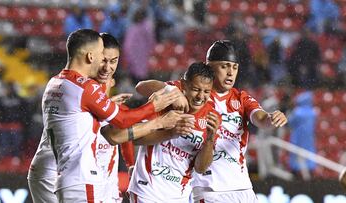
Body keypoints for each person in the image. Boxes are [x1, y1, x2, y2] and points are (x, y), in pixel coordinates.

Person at [29, 29, 182, 203]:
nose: (107, 66)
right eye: (102, 57)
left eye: (113, 61)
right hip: (74, 176)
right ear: (91, 56)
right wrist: (155, 110)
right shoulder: (86, 87)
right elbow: (120, 125)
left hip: (62, 175)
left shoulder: (56, 82)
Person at [135, 40, 288, 203]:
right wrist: (171, 90)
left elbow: (262, 119)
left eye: (234, 67)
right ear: (209, 66)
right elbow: (142, 87)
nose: (230, 73)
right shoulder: (192, 91)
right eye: (224, 66)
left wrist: (272, 118)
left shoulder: (241, 98)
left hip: (243, 187)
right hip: (208, 189)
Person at [127, 62, 221, 202]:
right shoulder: (168, 98)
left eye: (206, 91)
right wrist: (171, 132)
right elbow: (136, 139)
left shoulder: (212, 117)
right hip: (147, 191)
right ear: (184, 85)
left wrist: (210, 139)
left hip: (179, 196)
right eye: (196, 89)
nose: (200, 96)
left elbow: (200, 168)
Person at [288, 91, 316, 180]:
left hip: (298, 138)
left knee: (297, 157)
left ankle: (299, 176)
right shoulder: (313, 112)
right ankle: (308, 175)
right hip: (309, 138)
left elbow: (290, 122)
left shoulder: (297, 112)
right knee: (308, 156)